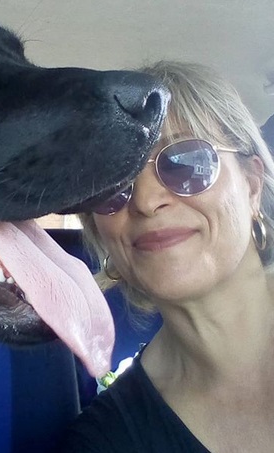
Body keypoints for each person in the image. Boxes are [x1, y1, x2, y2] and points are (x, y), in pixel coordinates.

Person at [62, 60, 274, 452]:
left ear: (251, 185)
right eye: (113, 183)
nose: (146, 201)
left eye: (184, 161)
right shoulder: (105, 440)